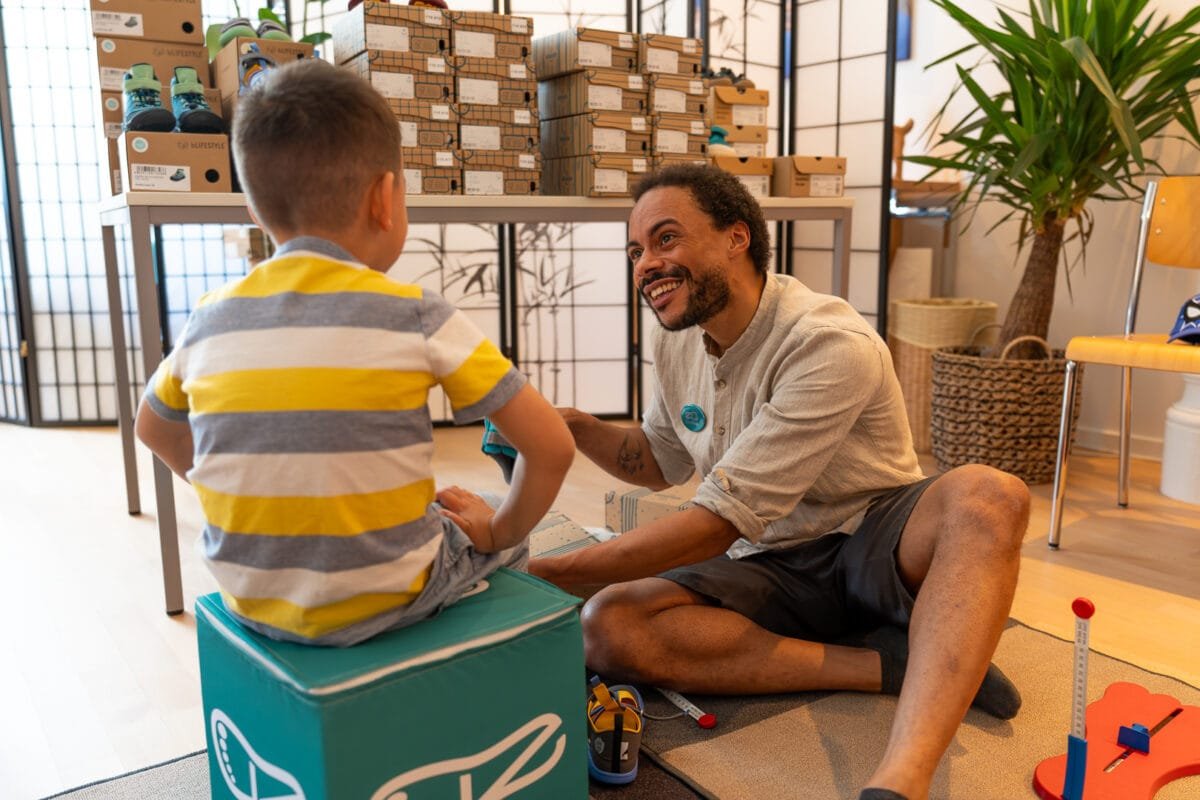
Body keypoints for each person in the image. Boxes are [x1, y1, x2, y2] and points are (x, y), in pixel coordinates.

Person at [529, 164, 1029, 800]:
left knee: (990, 495)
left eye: (665, 238)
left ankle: (901, 778)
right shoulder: (678, 342)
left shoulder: (826, 341)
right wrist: (574, 426)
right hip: (767, 557)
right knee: (606, 625)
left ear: (736, 237)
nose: (646, 265)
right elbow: (659, 460)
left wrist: (545, 574)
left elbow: (713, 527)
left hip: (868, 543)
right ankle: (888, 662)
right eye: (635, 252)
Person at [134, 59, 574, 647]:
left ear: (254, 210)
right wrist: (496, 532)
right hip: (389, 598)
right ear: (385, 198)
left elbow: (152, 429)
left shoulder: (209, 318)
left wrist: (257, 499)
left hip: (250, 597)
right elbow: (551, 448)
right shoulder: (417, 314)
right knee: (498, 513)